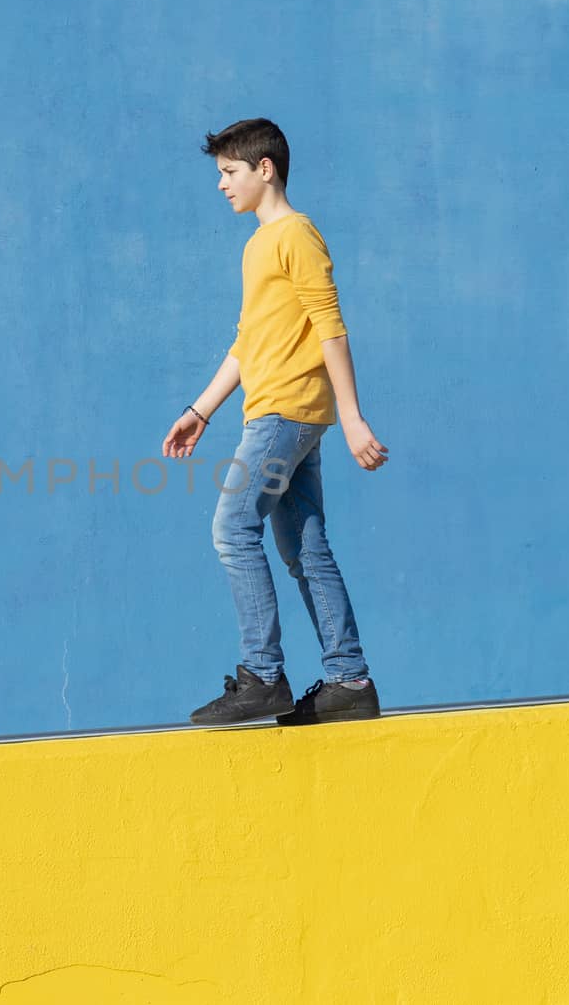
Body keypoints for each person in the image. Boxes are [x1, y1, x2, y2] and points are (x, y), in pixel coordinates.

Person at [161, 117, 389, 727]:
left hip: (285, 412)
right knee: (305, 549)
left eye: (230, 173)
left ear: (266, 170)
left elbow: (329, 324)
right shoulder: (258, 244)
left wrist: (353, 415)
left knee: (232, 529)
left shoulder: (296, 234)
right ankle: (350, 680)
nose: (222, 186)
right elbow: (248, 341)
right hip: (278, 411)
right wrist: (199, 411)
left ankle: (262, 676)